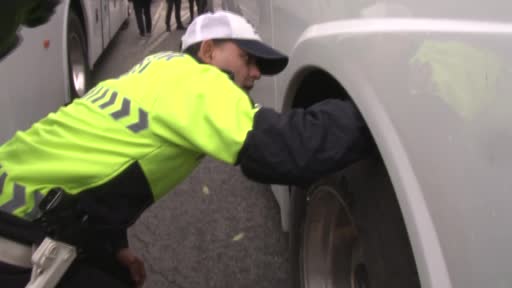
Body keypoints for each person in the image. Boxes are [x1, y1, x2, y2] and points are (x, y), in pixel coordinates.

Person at [0, 8, 371, 288]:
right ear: (209, 51)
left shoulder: (157, 68)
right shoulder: (200, 81)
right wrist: (376, 108)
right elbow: (283, 149)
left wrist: (115, 248)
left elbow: (102, 163)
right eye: (249, 59)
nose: (256, 74)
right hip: (16, 234)